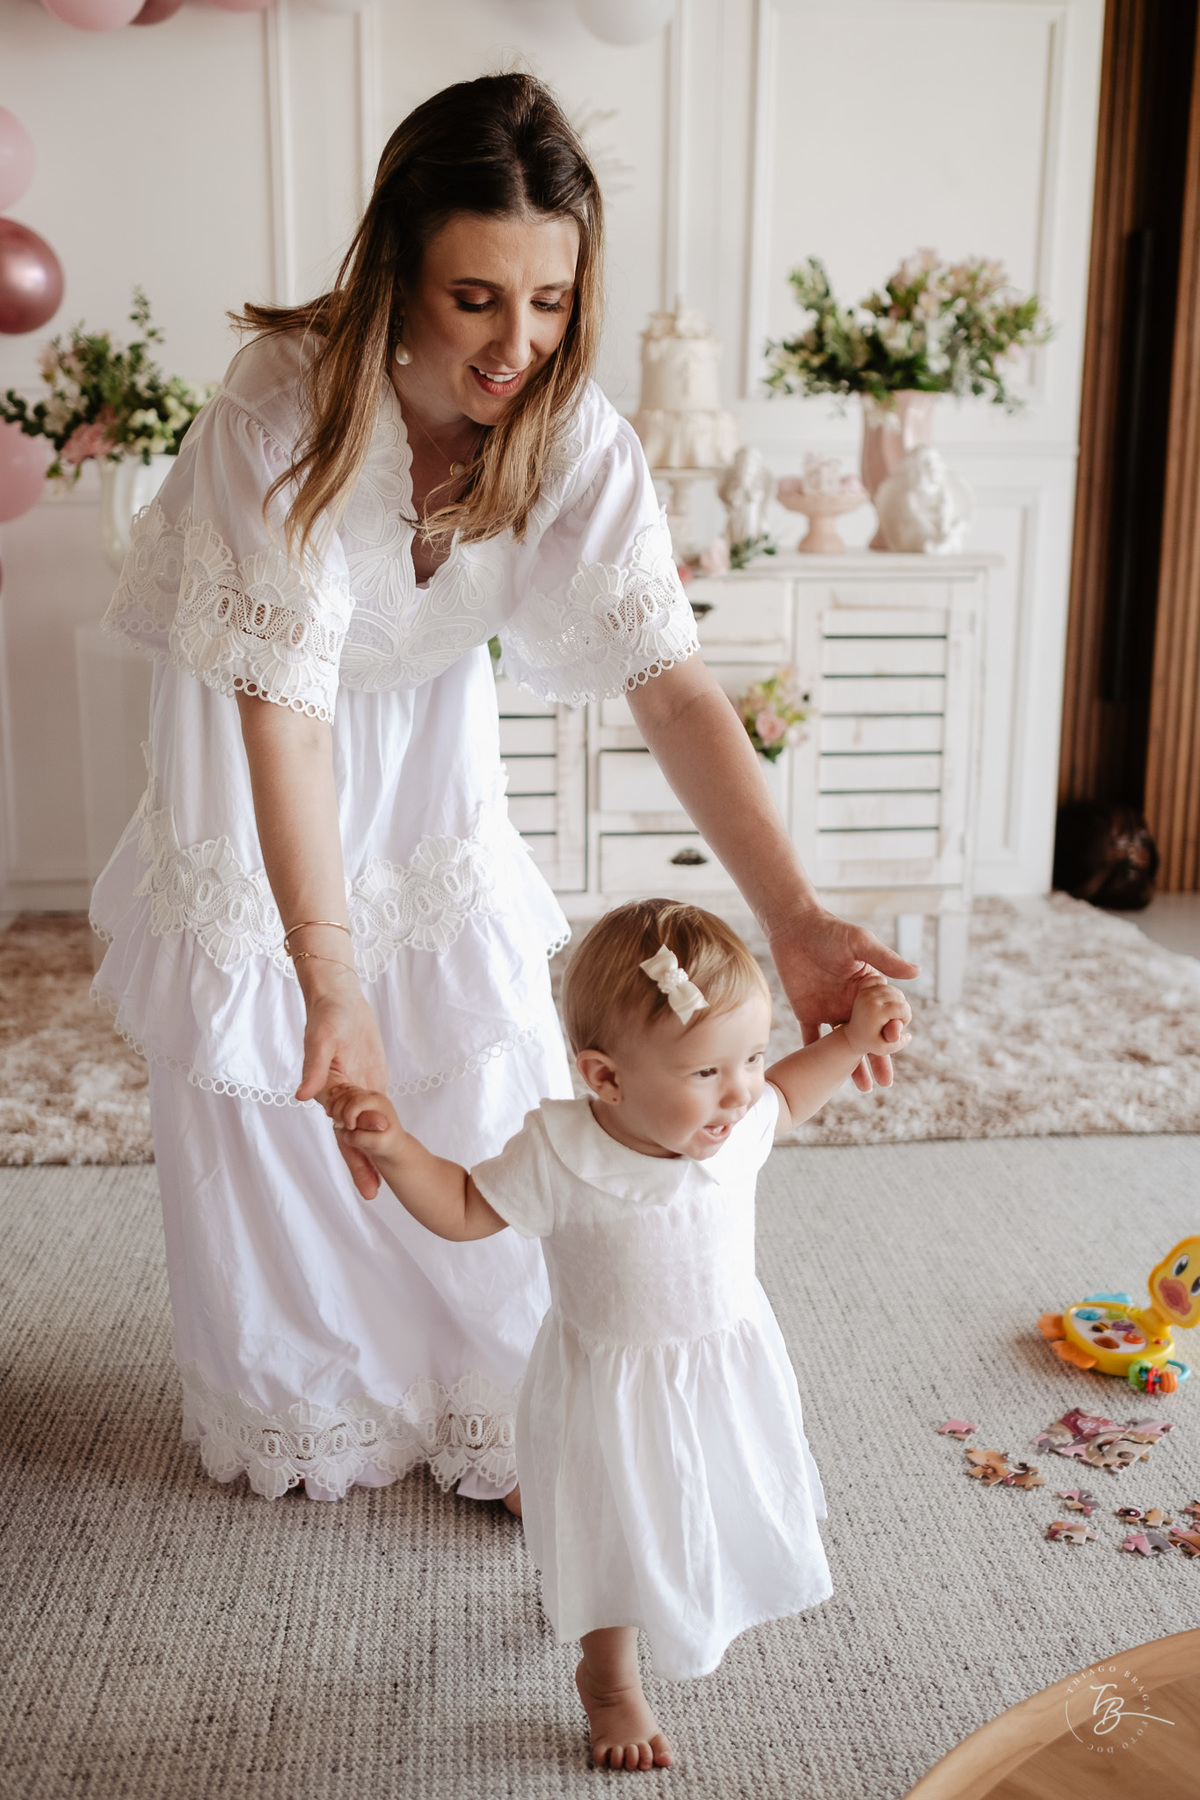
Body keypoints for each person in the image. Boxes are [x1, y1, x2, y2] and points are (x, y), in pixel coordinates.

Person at [92, 72, 915, 1507]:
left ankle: (486, 1385)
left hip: (422, 728)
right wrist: (326, 975)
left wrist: (791, 914)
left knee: (471, 1036)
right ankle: (321, 1389)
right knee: (294, 1051)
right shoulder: (275, 418)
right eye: (477, 298)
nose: (516, 343)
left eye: (548, 302)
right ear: (399, 263)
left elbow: (671, 682)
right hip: (256, 738)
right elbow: (281, 719)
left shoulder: (573, 432)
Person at [327, 899, 913, 1769]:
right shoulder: (561, 1154)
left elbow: (790, 1092)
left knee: (706, 1499)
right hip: (610, 1394)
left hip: (721, 1372)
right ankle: (609, 1680)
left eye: (748, 1057)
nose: (742, 1089)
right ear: (604, 1080)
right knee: (612, 1533)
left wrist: (855, 1037)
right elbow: (459, 1208)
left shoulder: (737, 1123)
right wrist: (397, 1147)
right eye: (708, 1072)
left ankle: (694, 1587)